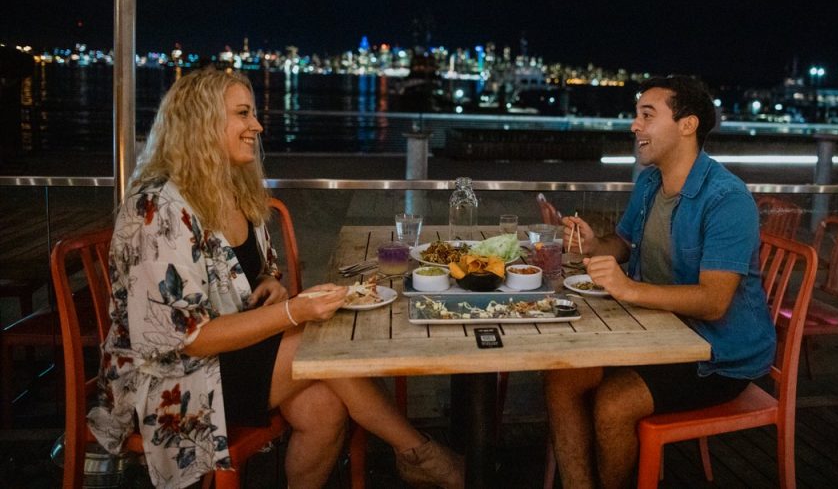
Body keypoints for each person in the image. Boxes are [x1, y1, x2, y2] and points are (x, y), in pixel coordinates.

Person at [87, 67, 463, 489]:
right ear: (201, 122)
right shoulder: (157, 208)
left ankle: (416, 454)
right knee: (318, 342)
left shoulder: (231, 188)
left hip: (236, 354)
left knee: (323, 406)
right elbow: (186, 338)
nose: (257, 126)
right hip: (171, 377)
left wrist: (271, 282)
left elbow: (253, 269)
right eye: (243, 114)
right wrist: (291, 311)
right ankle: (421, 453)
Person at [544, 76, 775, 489]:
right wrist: (593, 245)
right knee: (563, 377)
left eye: (647, 115)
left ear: (687, 125)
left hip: (718, 353)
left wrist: (629, 289)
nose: (634, 126)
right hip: (655, 332)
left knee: (613, 404)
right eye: (637, 115)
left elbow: (715, 302)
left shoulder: (727, 199)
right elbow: (624, 244)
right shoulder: (651, 182)